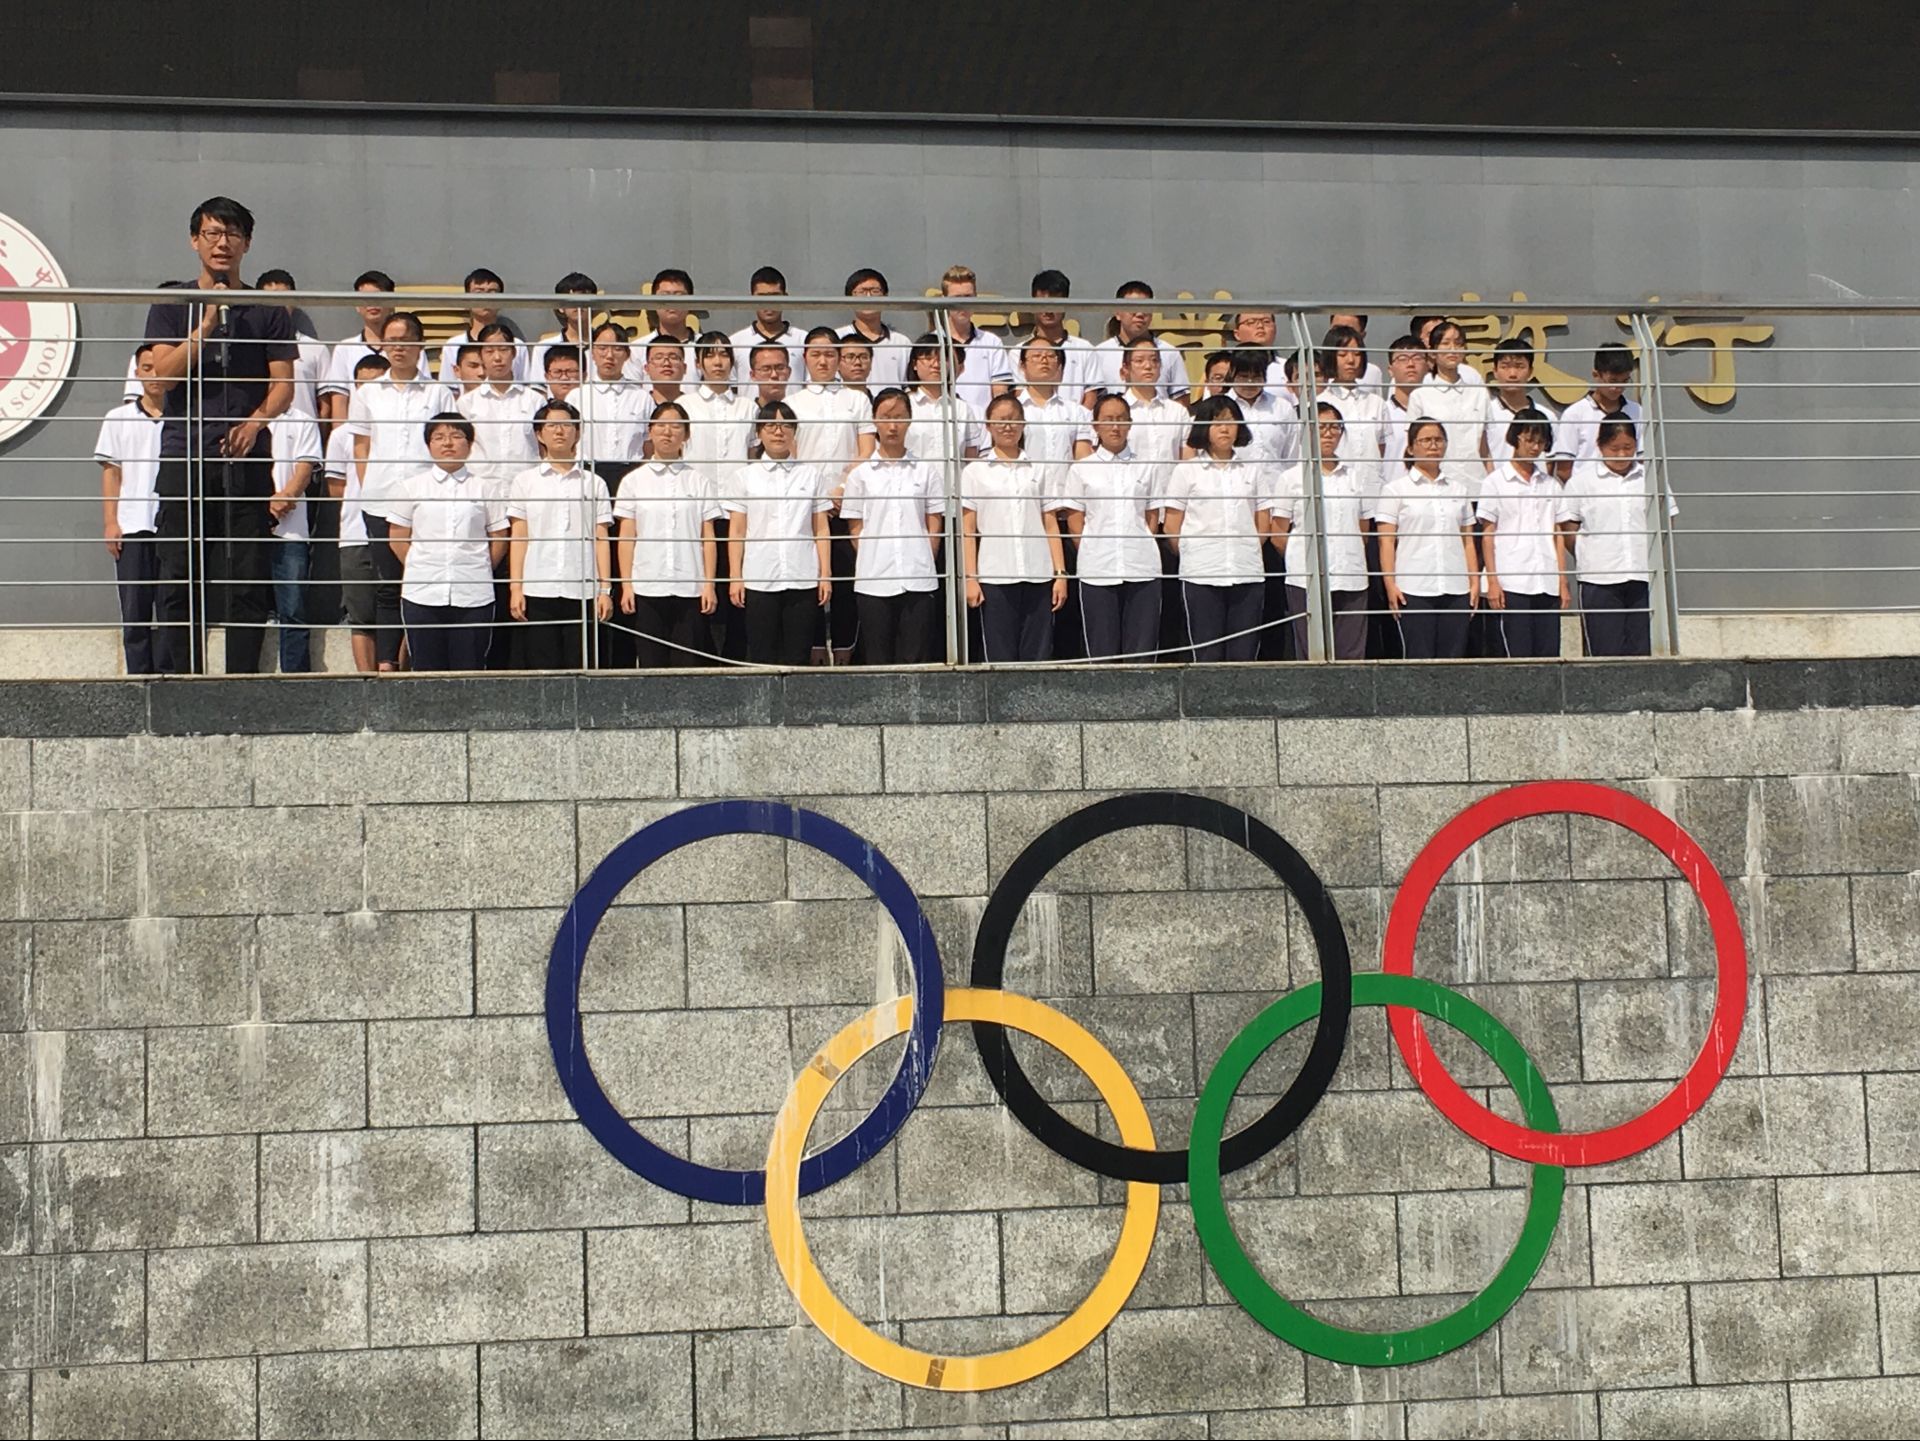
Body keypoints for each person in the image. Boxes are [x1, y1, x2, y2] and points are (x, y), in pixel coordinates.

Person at [141, 196, 295, 674]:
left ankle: (241, 683)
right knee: (178, 574)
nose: (222, 243)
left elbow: (283, 386)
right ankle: (184, 679)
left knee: (247, 576)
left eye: (232, 233)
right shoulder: (173, 304)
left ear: (247, 242)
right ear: (195, 241)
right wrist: (204, 326)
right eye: (212, 233)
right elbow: (162, 377)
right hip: (185, 456)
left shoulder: (267, 309)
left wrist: (254, 423)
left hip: (246, 460)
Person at [348, 311, 454, 670]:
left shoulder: (438, 392)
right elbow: (361, 446)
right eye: (391, 341)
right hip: (380, 501)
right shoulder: (368, 393)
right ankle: (387, 662)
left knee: (424, 580)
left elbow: (447, 443)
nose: (398, 348)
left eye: (405, 341)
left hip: (427, 503)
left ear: (419, 345)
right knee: (388, 584)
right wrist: (370, 486)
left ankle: (421, 660)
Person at [385, 412, 508, 671]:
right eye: (439, 437)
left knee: (471, 667)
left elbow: (499, 537)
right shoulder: (411, 487)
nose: (448, 443)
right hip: (422, 592)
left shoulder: (485, 488)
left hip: (474, 593)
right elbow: (397, 537)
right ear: (429, 445)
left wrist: (481, 568)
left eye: (456, 436)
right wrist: (420, 566)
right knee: (426, 668)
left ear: (469, 444)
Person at [789, 328, 877, 662]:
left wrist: (843, 488)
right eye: (816, 354)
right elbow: (792, 455)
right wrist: (816, 496)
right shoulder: (793, 403)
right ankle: (813, 646)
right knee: (808, 577)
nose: (823, 361)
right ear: (805, 358)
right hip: (808, 506)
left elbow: (866, 450)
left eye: (830, 354)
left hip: (846, 503)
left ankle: (844, 647)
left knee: (846, 578)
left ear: (839, 358)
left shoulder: (856, 400)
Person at [840, 387, 946, 665]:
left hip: (918, 577)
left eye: (899, 417)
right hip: (874, 578)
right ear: (874, 420)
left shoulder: (926, 471)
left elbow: (934, 521)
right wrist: (871, 556)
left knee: (917, 656)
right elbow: (855, 526)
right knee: (878, 657)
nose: (892, 425)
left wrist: (926, 556)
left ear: (909, 420)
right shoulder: (861, 475)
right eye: (886, 417)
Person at [961, 395, 1070, 662]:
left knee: (1038, 653)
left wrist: (1060, 574)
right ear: (988, 425)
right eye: (1000, 420)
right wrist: (970, 577)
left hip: (1037, 573)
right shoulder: (975, 471)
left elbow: (1050, 523)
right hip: (995, 575)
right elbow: (968, 529)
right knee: (999, 655)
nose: (1007, 426)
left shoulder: (1039, 469)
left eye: (1013, 420)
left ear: (1023, 424)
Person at [506, 400, 613, 670]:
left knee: (583, 666)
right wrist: (516, 588)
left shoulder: (594, 482)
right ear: (539, 434)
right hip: (538, 586)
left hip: (583, 588)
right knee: (543, 669)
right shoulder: (525, 481)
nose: (559, 431)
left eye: (567, 425)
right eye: (552, 425)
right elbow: (519, 538)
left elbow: (601, 538)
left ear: (578, 432)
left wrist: (605, 588)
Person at [1557, 412, 1674, 657]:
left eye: (1627, 448)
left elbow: (1668, 519)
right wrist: (1588, 553)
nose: (1621, 455)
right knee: (1604, 650)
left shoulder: (1650, 479)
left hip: (1644, 575)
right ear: (1600, 446)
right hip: (1599, 578)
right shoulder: (1582, 482)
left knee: (1642, 649)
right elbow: (1568, 526)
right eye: (1614, 448)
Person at [725, 401, 832, 666]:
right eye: (770, 425)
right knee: (762, 655)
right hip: (759, 577)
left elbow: (820, 528)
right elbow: (737, 530)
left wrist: (825, 575)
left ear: (794, 431)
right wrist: (735, 576)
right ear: (759, 432)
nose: (778, 431)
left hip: (802, 576)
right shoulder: (744, 477)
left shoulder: (810, 475)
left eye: (785, 425)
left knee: (798, 656)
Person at [617, 401, 722, 669]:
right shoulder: (633, 481)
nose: (668, 432)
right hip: (647, 585)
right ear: (650, 431)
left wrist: (708, 585)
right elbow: (627, 538)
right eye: (661, 425)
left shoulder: (698, 481)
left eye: (676, 426)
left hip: (690, 586)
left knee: (687, 662)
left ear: (686, 434)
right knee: (651, 661)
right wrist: (627, 585)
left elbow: (708, 538)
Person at [1161, 395, 1266, 662]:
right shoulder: (1186, 472)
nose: (1225, 429)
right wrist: (1193, 553)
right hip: (1201, 573)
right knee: (1207, 653)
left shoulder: (1252, 471)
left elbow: (1263, 521)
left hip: (1246, 571)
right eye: (1217, 422)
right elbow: (1172, 525)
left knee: (1244, 652)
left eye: (1231, 422)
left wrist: (1247, 548)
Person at [1265, 403, 1372, 660]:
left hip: (1350, 576)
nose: (1328, 433)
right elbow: (1279, 535)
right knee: (1311, 653)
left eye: (1335, 427)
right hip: (1306, 579)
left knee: (1351, 653)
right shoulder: (1291, 478)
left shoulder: (1355, 476)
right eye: (1321, 427)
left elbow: (1363, 529)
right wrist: (1302, 559)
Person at [1063, 392, 1162, 662]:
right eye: (1108, 420)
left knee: (1142, 653)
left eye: (1121, 419)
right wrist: (1091, 547)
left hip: (1142, 568)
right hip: (1098, 568)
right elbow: (1075, 519)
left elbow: (1151, 516)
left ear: (1130, 424)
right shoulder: (1082, 469)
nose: (1115, 426)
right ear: (1096, 426)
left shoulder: (1147, 467)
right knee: (1101, 652)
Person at [94, 343, 169, 674]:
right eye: (147, 368)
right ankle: (139, 678)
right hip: (132, 526)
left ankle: (171, 677)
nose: (154, 375)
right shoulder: (118, 418)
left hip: (173, 527)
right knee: (135, 608)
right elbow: (112, 473)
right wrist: (110, 522)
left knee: (171, 608)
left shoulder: (184, 419)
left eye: (160, 367)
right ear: (137, 372)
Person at [1377, 419, 1479, 659]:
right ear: (1411, 447)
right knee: (1417, 659)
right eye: (1425, 440)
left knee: (1453, 660)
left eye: (1438, 440)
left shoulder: (1458, 490)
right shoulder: (1395, 490)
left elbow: (1468, 541)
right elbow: (1386, 542)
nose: (1433, 446)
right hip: (1413, 589)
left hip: (1455, 588)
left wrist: (1474, 582)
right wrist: (1390, 584)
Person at [1478, 408, 1572, 657]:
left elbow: (1557, 534)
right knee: (1515, 656)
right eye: (1529, 440)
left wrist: (1562, 581)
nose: (1534, 447)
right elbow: (1487, 534)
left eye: (1540, 442)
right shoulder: (1495, 482)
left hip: (1546, 582)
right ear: (1516, 437)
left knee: (1548, 655)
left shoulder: (1550, 485)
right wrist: (1493, 581)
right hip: (1512, 581)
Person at [328, 352, 390, 674]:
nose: (367, 391)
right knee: (361, 615)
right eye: (361, 385)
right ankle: (366, 682)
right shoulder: (341, 435)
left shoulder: (400, 429)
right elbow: (336, 488)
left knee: (398, 609)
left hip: (397, 530)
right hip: (355, 534)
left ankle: (397, 677)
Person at [265, 405, 323, 672]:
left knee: (293, 607)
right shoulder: (238, 414)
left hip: (291, 526)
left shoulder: (301, 419)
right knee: (244, 605)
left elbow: (305, 467)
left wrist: (285, 496)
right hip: (245, 526)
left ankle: (296, 678)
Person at [1408, 320, 1492, 492]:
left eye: (1458, 343)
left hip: (1475, 484)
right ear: (1432, 352)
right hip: (1436, 485)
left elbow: (1484, 446)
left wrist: (1492, 482)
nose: (1453, 349)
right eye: (1445, 343)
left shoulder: (1478, 393)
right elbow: (1413, 446)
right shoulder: (1421, 396)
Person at [458, 322, 543, 485]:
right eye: (489, 351)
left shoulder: (535, 400)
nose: (497, 358)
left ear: (514, 353)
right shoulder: (467, 403)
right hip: (481, 487)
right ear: (481, 356)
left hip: (525, 486)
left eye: (503, 350)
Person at [1086, 281, 1187, 403]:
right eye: (1133, 307)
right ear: (1117, 312)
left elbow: (1181, 400)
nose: (1140, 314)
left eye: (1146, 308)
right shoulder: (1099, 354)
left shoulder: (1169, 353)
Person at [318, 269, 395, 428]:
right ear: (357, 306)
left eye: (379, 297)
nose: (372, 304)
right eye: (365, 299)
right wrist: (341, 437)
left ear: (392, 302)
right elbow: (339, 401)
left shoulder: (408, 348)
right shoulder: (345, 349)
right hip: (358, 434)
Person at [1554, 343, 1645, 476]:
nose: (1618, 388)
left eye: (1624, 381)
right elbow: (1564, 469)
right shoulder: (1574, 414)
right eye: (1613, 381)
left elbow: (1642, 460)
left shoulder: (1636, 411)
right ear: (1596, 375)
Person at [904, 332, 987, 480]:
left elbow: (971, 459)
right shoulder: (905, 406)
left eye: (943, 359)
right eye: (928, 358)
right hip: (915, 488)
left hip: (954, 489)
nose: (936, 365)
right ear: (914, 364)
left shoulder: (962, 409)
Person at [256, 270, 330, 432]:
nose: (277, 307)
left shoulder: (317, 349)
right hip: (260, 434)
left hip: (304, 436)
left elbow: (325, 407)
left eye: (283, 299)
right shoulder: (250, 347)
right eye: (270, 300)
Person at [936, 265, 1015, 412]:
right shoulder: (933, 342)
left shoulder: (992, 342)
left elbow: (1000, 393)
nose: (963, 304)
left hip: (982, 425)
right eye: (956, 298)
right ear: (943, 300)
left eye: (968, 297)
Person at [436, 268, 528, 386]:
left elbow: (525, 385)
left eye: (492, 293)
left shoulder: (518, 346)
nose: (486, 298)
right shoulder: (453, 346)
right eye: (479, 293)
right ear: (466, 300)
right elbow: (448, 388)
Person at [1485, 336, 1560, 463]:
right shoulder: (1485, 414)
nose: (1512, 374)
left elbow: (1550, 460)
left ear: (1530, 372)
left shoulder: (1547, 416)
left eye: (1519, 366)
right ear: (1495, 371)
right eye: (1505, 366)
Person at [728, 266, 806, 386]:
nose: (769, 304)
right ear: (751, 299)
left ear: (786, 298)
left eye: (775, 297)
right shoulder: (735, 343)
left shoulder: (803, 340)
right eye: (762, 297)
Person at [1025, 270, 1096, 398]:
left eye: (1054, 304)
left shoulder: (1085, 349)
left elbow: (1091, 395)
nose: (1048, 311)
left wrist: (1075, 411)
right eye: (1042, 303)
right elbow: (1019, 393)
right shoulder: (1018, 351)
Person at [842, 267, 910, 392]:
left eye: (875, 291)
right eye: (862, 292)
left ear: (885, 296)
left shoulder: (902, 342)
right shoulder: (838, 338)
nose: (869, 297)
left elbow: (909, 387)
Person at [627, 268, 698, 380]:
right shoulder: (637, 349)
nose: (672, 302)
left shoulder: (705, 347)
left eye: (679, 296)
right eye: (665, 296)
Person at [528, 272, 599, 383]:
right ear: (560, 307)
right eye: (572, 300)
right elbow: (539, 389)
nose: (579, 305)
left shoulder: (606, 346)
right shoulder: (544, 347)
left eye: (584, 299)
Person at [1328, 312, 1388, 392]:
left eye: (1349, 331)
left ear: (1362, 335)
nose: (1342, 335)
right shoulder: (1316, 368)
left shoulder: (1372, 373)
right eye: (1337, 330)